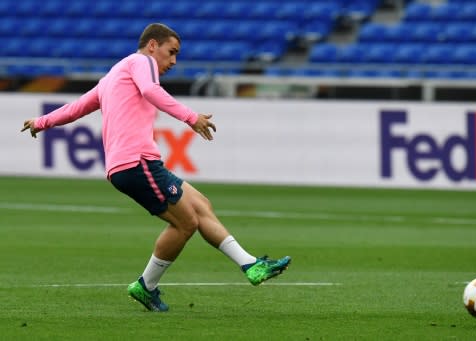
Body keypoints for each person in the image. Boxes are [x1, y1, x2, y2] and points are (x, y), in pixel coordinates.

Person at [21, 23, 291, 312]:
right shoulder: (141, 62)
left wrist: (41, 121)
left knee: (200, 205)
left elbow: (77, 107)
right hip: (136, 162)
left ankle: (250, 265)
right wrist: (190, 117)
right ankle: (146, 286)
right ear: (152, 45)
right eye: (171, 52)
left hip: (133, 165)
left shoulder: (113, 76)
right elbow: (151, 90)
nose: (173, 61)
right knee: (186, 223)